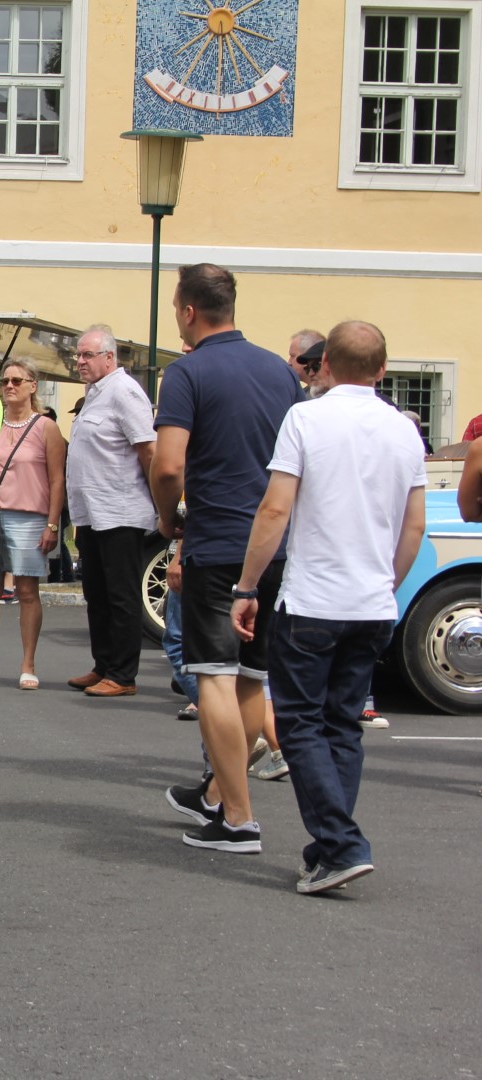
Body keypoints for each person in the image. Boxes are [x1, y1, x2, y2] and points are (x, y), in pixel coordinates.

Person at [231, 320, 426, 894]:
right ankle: (326, 848)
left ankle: (341, 844)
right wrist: (386, 583)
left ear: (326, 367)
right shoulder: (403, 430)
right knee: (343, 726)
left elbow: (274, 510)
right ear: (383, 370)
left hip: (315, 596)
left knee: (299, 721)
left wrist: (247, 585)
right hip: (370, 600)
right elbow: (413, 524)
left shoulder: (307, 418)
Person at [153, 263, 307, 855]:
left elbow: (168, 465)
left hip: (218, 541)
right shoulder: (279, 371)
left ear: (189, 311)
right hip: (274, 544)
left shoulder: (186, 372)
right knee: (251, 680)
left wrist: (171, 521)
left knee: (212, 676)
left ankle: (238, 818)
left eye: (176, 310)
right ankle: (220, 793)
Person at [0, 359, 66, 691]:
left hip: (30, 516)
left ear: (33, 386)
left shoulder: (46, 427)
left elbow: (57, 478)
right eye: (4, 380)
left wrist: (52, 524)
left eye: (17, 381)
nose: (9, 386)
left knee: (26, 590)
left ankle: (28, 664)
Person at [64, 326, 157, 697]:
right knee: (97, 593)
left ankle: (123, 673)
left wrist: (159, 500)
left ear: (109, 357)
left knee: (121, 595)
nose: (80, 362)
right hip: (92, 513)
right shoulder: (94, 395)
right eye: (78, 355)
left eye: (87, 355)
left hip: (120, 511)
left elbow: (147, 448)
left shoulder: (124, 391)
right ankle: (103, 664)